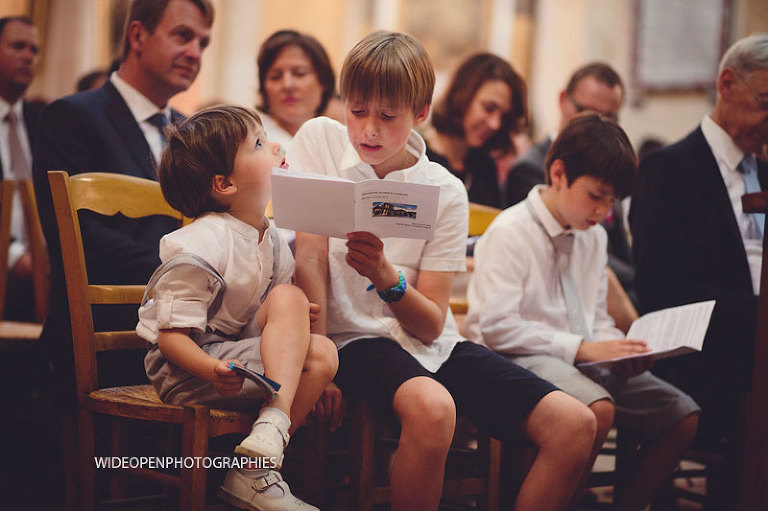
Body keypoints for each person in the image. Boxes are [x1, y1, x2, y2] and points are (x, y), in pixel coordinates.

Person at [289, 31, 596, 511]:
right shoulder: (321, 142)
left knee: (575, 424)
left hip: (429, 342)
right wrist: (317, 357)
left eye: (387, 116)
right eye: (357, 110)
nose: (368, 129)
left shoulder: (443, 190)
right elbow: (307, 259)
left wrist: (389, 278)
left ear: (421, 113)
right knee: (434, 409)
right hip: (350, 339)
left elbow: (432, 322)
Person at [465, 113, 699, 510]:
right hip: (513, 358)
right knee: (595, 409)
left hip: (576, 358)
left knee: (681, 415)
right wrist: (583, 349)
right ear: (558, 173)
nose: (604, 212)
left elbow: (594, 319)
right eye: (596, 195)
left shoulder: (592, 238)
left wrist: (620, 350)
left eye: (611, 202)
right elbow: (497, 328)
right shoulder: (510, 231)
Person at [136, 105, 336, 511]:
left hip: (236, 356)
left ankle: (262, 451)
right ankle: (259, 468)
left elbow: (270, 313)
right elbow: (170, 338)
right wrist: (209, 369)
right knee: (300, 323)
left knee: (321, 349)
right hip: (187, 369)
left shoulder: (271, 238)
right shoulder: (200, 244)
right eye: (260, 144)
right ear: (225, 183)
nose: (276, 145)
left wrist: (293, 318)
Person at [32, 0, 214, 397]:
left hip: (186, 331)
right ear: (137, 35)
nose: (196, 53)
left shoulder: (191, 134)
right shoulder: (73, 117)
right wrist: (190, 271)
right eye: (183, 35)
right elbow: (81, 242)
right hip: (105, 333)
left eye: (203, 42)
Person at [629, 33, 767, 486]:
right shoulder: (670, 170)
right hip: (703, 357)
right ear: (727, 83)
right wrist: (756, 317)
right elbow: (662, 291)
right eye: (766, 101)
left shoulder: (763, 170)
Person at [503, 62, 636, 304]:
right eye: (586, 110)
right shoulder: (530, 169)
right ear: (564, 100)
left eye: (609, 117)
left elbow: (620, 251)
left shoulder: (609, 172)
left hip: (603, 289)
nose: (596, 123)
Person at [422, 52, 527, 208]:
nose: (495, 124)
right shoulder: (418, 157)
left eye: (504, 117)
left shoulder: (484, 165)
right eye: (489, 108)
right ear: (461, 95)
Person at [0, 16, 45, 321]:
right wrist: (16, 256)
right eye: (18, 46)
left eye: (34, 49)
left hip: (42, 274)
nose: (28, 56)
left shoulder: (42, 120)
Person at [256, 29, 336, 153]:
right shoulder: (249, 143)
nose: (287, 85)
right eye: (275, 76)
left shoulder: (339, 146)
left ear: (323, 81)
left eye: (299, 74)